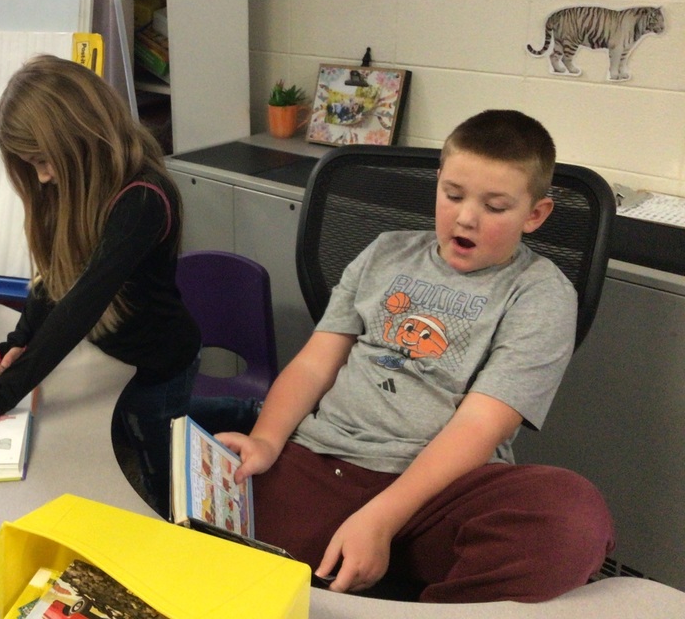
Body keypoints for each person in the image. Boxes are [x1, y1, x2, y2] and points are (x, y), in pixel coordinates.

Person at [218, 110, 615, 604]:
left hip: (444, 489)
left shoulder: (541, 293)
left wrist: (380, 519)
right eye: (452, 195)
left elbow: (480, 425)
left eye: (495, 207)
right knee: (219, 535)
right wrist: (267, 440)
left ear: (534, 215)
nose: (466, 217)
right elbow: (315, 363)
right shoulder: (385, 252)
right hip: (327, 461)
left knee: (572, 518)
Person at [0, 54, 200, 515]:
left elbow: (83, 302)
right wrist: (19, 339)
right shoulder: (77, 185)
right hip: (113, 366)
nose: (42, 177)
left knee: (160, 488)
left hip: (159, 368)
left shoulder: (142, 201)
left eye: (43, 161)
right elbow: (53, 278)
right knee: (120, 448)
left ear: (82, 138)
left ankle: (236, 419)